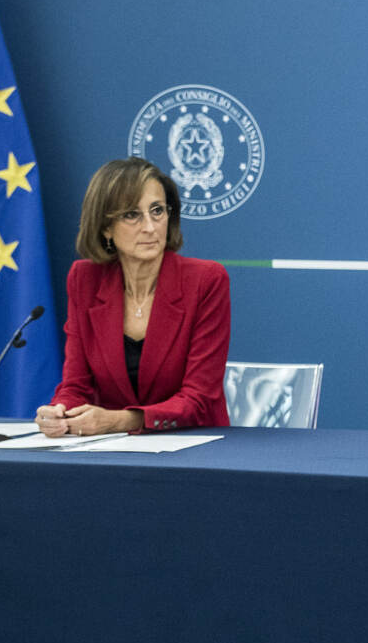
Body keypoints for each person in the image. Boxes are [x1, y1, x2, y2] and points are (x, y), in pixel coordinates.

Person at [35, 157, 230, 436]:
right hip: (116, 449)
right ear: (105, 227)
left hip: (196, 443)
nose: (150, 227)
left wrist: (120, 421)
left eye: (157, 211)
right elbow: (76, 385)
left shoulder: (205, 280)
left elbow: (199, 399)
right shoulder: (85, 279)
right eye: (132, 215)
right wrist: (60, 412)